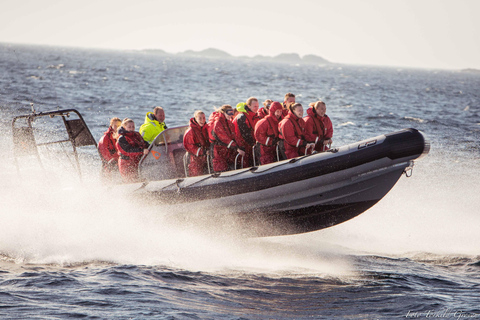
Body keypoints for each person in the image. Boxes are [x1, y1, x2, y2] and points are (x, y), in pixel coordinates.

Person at [211, 105, 245, 172]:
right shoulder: (218, 123)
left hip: (227, 151)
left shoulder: (229, 123)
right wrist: (236, 148)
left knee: (231, 166)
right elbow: (224, 138)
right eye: (229, 113)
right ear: (223, 112)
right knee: (221, 168)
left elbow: (234, 136)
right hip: (218, 151)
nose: (230, 115)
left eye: (232, 113)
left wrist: (241, 146)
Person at [116, 118, 149, 183]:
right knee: (132, 181)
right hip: (127, 165)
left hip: (138, 162)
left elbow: (144, 144)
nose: (131, 128)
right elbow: (127, 151)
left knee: (141, 179)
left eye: (133, 126)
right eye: (129, 127)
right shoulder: (122, 138)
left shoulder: (137, 135)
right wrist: (142, 151)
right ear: (124, 127)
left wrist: (155, 144)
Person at [233, 97, 259, 168]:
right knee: (244, 165)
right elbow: (244, 134)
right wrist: (254, 143)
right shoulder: (242, 117)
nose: (257, 108)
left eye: (257, 106)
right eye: (255, 106)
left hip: (250, 146)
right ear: (248, 106)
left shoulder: (254, 116)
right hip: (242, 146)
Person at [183, 110, 210, 176]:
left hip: (205, 157)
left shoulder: (205, 128)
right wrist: (203, 151)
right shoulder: (190, 131)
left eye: (204, 118)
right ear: (195, 118)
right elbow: (190, 146)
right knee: (196, 174)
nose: (202, 120)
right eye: (200, 118)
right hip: (194, 159)